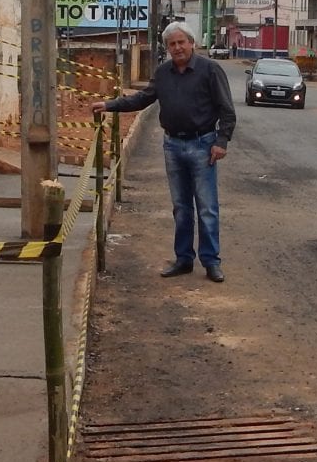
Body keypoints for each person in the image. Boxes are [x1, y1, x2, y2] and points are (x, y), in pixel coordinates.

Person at [94, 23, 235, 282]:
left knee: (207, 207)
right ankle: (183, 259)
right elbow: (142, 98)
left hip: (203, 145)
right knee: (181, 207)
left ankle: (211, 261)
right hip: (172, 146)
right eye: (172, 44)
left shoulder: (210, 70)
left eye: (182, 42)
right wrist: (110, 105)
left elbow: (227, 109)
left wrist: (221, 141)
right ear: (167, 48)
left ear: (192, 43)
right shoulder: (162, 73)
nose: (178, 47)